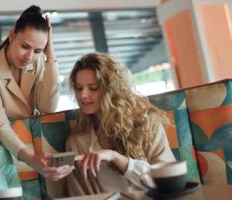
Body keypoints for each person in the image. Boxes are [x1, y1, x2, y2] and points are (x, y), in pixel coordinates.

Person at [0, 5, 73, 179]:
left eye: (38, 50)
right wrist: (30, 158)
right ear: (11, 35)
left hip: (35, 145)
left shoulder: (39, 60)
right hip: (2, 146)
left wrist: (50, 56)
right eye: (25, 46)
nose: (29, 57)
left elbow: (47, 108)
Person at [66, 53, 176, 196]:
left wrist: (117, 159)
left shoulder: (146, 123)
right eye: (79, 88)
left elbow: (170, 181)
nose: (83, 95)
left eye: (93, 88)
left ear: (112, 91)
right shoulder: (76, 143)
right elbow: (81, 197)